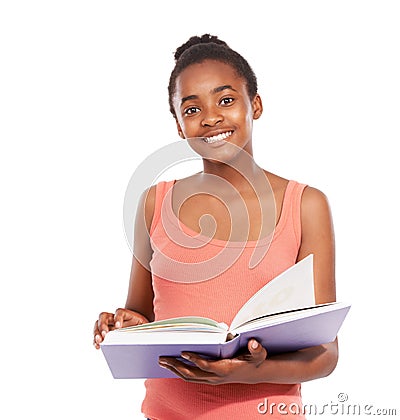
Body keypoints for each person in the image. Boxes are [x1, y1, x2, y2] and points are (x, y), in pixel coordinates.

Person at [93, 34, 338, 419]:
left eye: (226, 100)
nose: (210, 118)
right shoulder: (155, 204)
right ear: (177, 124)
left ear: (254, 105)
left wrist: (249, 370)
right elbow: (142, 315)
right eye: (191, 109)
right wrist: (124, 325)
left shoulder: (305, 205)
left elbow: (325, 354)